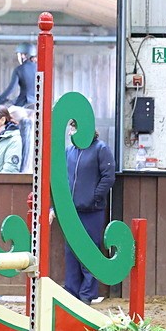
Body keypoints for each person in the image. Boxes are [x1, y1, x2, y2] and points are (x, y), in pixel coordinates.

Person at [62, 125, 116, 303]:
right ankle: (71, 292)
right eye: (70, 129)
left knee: (89, 250)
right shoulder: (69, 151)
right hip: (71, 211)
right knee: (71, 252)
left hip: (92, 211)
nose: (71, 132)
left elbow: (108, 177)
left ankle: (87, 294)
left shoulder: (101, 149)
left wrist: (94, 197)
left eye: (74, 129)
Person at [0, 42, 37, 108]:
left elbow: (11, 88)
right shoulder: (39, 68)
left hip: (23, 104)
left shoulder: (19, 69)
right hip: (37, 105)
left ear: (23, 55)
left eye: (18, 55)